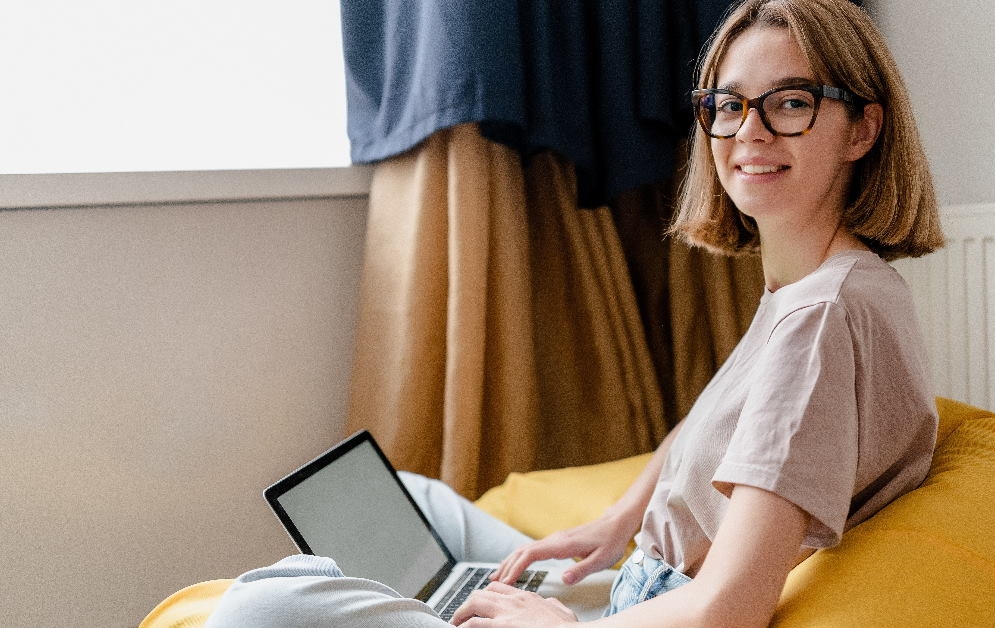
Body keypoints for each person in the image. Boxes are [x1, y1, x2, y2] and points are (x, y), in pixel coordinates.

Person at [205, 0, 944, 626]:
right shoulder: (819, 284)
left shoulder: (822, 318)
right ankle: (437, 598)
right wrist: (617, 523)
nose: (748, 132)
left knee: (258, 609)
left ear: (862, 129)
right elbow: (731, 417)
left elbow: (733, 605)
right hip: (636, 579)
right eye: (727, 104)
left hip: (647, 612)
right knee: (415, 497)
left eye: (791, 102)